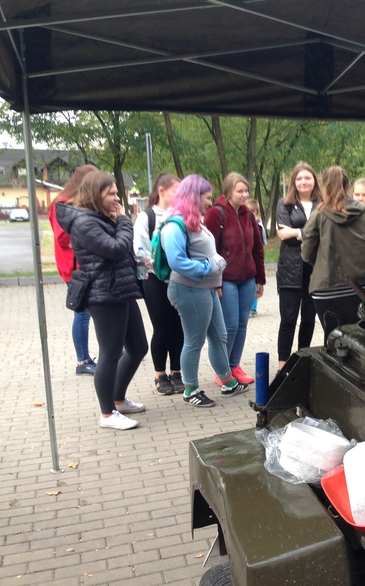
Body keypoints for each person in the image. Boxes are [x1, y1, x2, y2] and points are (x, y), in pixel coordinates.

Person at [56, 171, 148, 430]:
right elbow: (116, 249)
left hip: (121, 290)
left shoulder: (100, 217)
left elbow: (120, 250)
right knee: (110, 352)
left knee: (138, 347)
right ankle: (107, 414)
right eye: (112, 194)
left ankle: (118, 399)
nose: (117, 198)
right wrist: (125, 221)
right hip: (104, 295)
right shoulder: (84, 222)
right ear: (95, 195)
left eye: (118, 193)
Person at [161, 174, 250, 407]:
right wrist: (209, 267)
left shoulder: (194, 222)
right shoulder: (174, 225)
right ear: (193, 197)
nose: (210, 202)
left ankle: (228, 382)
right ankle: (190, 389)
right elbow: (177, 261)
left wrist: (214, 268)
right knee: (194, 340)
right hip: (189, 289)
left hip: (206, 288)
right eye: (207, 197)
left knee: (219, 335)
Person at [301, 165, 365, 340]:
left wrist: (323, 262)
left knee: (334, 341)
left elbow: (306, 253)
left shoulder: (319, 215)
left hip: (328, 289)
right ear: (348, 186)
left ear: (324, 187)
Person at [204, 172, 265, 386]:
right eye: (240, 191)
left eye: (246, 191)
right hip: (226, 278)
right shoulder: (216, 214)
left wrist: (260, 279)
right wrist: (216, 282)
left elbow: (258, 248)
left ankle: (234, 365)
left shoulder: (248, 215)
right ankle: (222, 371)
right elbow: (208, 250)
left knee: (242, 323)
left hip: (247, 278)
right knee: (229, 325)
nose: (245, 195)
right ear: (229, 192)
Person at [133, 172, 185, 396]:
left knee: (178, 326)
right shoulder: (147, 217)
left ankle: (177, 372)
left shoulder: (181, 216)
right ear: (162, 191)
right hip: (154, 280)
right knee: (162, 327)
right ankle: (159, 374)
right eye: (176, 191)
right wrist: (155, 263)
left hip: (178, 279)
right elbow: (140, 249)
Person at [48, 164, 98, 376]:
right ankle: (82, 360)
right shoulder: (62, 204)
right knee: (82, 313)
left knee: (91, 311)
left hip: (84, 266)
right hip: (73, 268)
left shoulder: (77, 203)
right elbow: (62, 237)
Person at [275, 162, 321, 370]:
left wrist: (296, 232)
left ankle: (302, 361)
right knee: (288, 319)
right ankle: (283, 366)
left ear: (314, 180)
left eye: (307, 178)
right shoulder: (284, 204)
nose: (303, 182)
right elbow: (285, 236)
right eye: (299, 178)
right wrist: (307, 234)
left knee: (309, 318)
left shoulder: (323, 204)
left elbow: (324, 233)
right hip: (290, 269)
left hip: (315, 269)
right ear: (294, 182)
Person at [245, 197, 267, 318]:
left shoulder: (258, 226)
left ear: (254, 212)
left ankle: (252, 308)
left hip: (254, 259)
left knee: (254, 285)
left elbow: (260, 244)